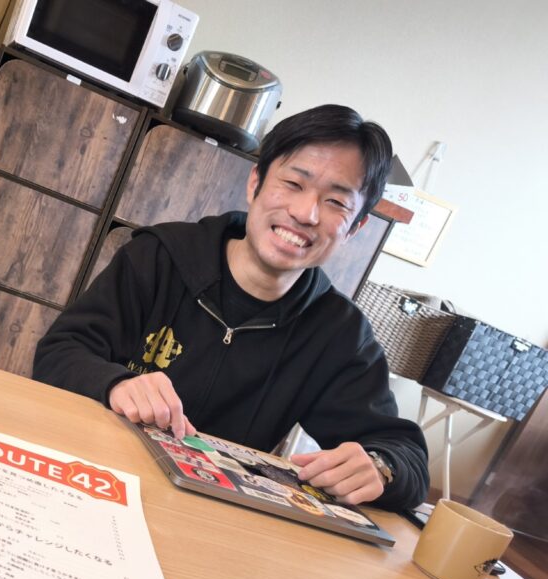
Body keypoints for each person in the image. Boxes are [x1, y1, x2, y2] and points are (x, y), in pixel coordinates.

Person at [32, 104, 429, 511]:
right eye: (294, 183)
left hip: (206, 511)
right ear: (255, 183)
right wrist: (115, 383)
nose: (305, 213)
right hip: (90, 474)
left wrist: (381, 467)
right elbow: (59, 352)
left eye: (336, 202)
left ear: (355, 227)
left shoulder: (338, 333)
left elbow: (406, 457)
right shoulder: (159, 257)